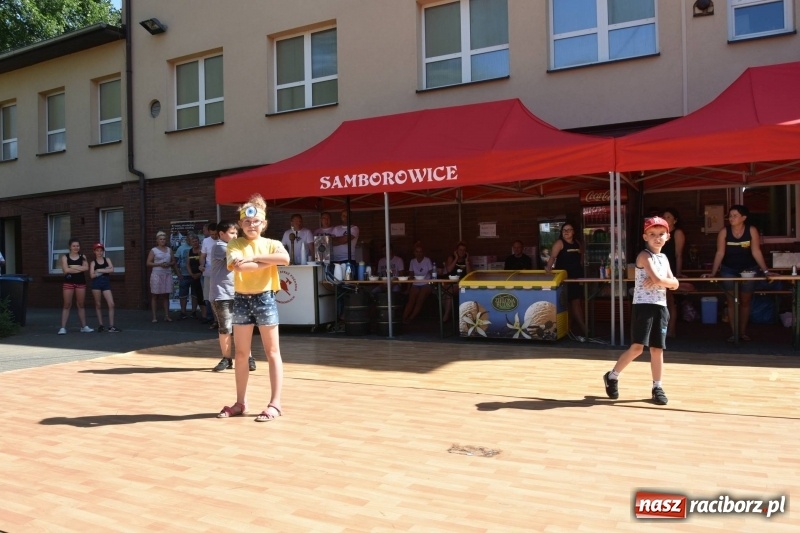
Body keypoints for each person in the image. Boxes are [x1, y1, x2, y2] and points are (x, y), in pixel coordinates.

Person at [217, 194, 289, 422]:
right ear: (240, 224)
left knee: (272, 352)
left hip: (265, 299)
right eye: (246, 222)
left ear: (263, 223)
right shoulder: (235, 244)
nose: (251, 225)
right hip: (241, 300)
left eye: (255, 221)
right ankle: (241, 402)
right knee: (240, 353)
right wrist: (268, 261)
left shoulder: (272, 243)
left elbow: (285, 258)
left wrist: (256, 257)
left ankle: (275, 403)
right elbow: (240, 269)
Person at [603, 216, 679, 406]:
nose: (657, 237)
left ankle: (657, 386)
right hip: (643, 306)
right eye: (652, 234)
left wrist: (664, 281)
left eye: (661, 234)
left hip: (660, 306)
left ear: (668, 237)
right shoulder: (644, 256)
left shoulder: (664, 257)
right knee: (637, 348)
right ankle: (612, 376)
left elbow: (674, 283)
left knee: (657, 349)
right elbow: (662, 280)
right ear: (645, 236)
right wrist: (663, 281)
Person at [706, 204, 770, 343]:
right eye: (730, 215)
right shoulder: (724, 231)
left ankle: (742, 332)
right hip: (729, 268)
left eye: (735, 215)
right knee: (731, 300)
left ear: (744, 218)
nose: (731, 218)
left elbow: (756, 251)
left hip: (749, 269)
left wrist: (766, 271)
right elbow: (720, 252)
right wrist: (713, 272)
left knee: (745, 300)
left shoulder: (751, 230)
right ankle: (734, 333)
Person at [210, 221, 256, 373]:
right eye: (231, 233)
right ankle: (227, 358)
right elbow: (238, 259)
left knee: (243, 327)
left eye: (236, 233)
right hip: (222, 294)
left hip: (238, 292)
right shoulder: (219, 247)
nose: (235, 236)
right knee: (225, 328)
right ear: (221, 234)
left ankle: (248, 357)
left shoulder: (234, 246)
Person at [545, 223, 587, 339]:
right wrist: (548, 268)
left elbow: (581, 259)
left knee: (575, 302)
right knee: (571, 303)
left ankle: (568, 330)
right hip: (563, 278)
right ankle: (584, 329)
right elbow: (552, 258)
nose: (566, 232)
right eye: (564, 230)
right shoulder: (559, 243)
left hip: (576, 277)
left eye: (569, 230)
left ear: (573, 232)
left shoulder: (578, 243)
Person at [58, 239, 93, 334]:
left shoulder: (83, 256)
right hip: (68, 282)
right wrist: (79, 268)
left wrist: (72, 268)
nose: (76, 247)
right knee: (67, 304)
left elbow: (86, 268)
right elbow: (65, 270)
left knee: (81, 304)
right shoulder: (65, 257)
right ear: (70, 247)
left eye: (77, 246)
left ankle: (83, 326)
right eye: (74, 246)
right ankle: (63, 328)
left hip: (80, 283)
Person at [661, 208, 685, 337]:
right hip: (658, 270)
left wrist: (678, 273)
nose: (666, 219)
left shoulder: (677, 233)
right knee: (662, 301)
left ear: (675, 220)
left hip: (670, 270)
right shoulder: (660, 233)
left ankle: (671, 330)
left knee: (670, 301)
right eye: (664, 216)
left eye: (669, 217)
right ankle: (664, 330)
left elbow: (678, 254)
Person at [89, 243, 119, 332]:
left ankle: (111, 326)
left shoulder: (107, 259)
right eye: (97, 251)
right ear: (94, 252)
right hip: (96, 284)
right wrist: (106, 270)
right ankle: (101, 325)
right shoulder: (93, 262)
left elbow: (112, 269)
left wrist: (98, 270)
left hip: (105, 283)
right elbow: (91, 275)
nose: (99, 252)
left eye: (101, 251)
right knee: (98, 304)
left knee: (111, 304)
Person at [147, 231, 175, 323]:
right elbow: (148, 263)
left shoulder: (169, 250)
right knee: (155, 295)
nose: (162, 241)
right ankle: (154, 317)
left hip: (167, 273)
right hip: (157, 274)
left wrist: (168, 264)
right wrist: (159, 264)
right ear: (157, 241)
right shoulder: (153, 250)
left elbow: (173, 262)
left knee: (166, 295)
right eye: (161, 239)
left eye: (164, 239)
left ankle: (167, 315)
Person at [403, 243, 434, 324]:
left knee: (420, 299)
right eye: (417, 251)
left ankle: (411, 318)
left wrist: (433, 284)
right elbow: (411, 275)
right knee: (411, 300)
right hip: (416, 283)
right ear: (414, 252)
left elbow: (432, 273)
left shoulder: (427, 260)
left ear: (423, 252)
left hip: (426, 283)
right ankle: (403, 318)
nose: (419, 253)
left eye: (420, 251)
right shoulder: (412, 261)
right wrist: (408, 288)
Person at [441, 241, 470, 322]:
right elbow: (449, 270)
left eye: (464, 250)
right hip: (449, 283)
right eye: (460, 250)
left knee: (448, 292)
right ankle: (448, 314)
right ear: (456, 250)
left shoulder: (466, 260)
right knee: (443, 293)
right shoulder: (451, 258)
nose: (462, 252)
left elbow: (469, 274)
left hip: (460, 284)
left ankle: (446, 317)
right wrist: (456, 258)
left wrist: (467, 261)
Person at [199, 223, 218, 325]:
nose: (214, 236)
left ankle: (219, 320)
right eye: (212, 234)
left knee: (219, 297)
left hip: (220, 271)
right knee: (209, 297)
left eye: (215, 234)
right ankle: (214, 320)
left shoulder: (223, 239)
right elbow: (203, 256)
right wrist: (202, 265)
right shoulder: (206, 241)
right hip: (209, 270)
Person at [186, 235, 206, 320]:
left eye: (196, 241)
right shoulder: (189, 251)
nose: (195, 243)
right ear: (190, 243)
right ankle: (201, 314)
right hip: (193, 277)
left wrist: (200, 273)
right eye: (193, 241)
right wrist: (191, 274)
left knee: (203, 296)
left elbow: (204, 263)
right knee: (197, 295)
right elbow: (188, 264)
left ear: (199, 242)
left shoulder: (202, 251)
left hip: (202, 276)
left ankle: (205, 316)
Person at [174, 235, 193, 319]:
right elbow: (175, 262)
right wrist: (178, 273)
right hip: (184, 275)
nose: (191, 241)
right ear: (186, 240)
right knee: (183, 294)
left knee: (195, 295)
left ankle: (194, 312)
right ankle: (183, 312)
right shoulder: (181, 248)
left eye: (192, 239)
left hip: (195, 275)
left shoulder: (199, 248)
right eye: (189, 239)